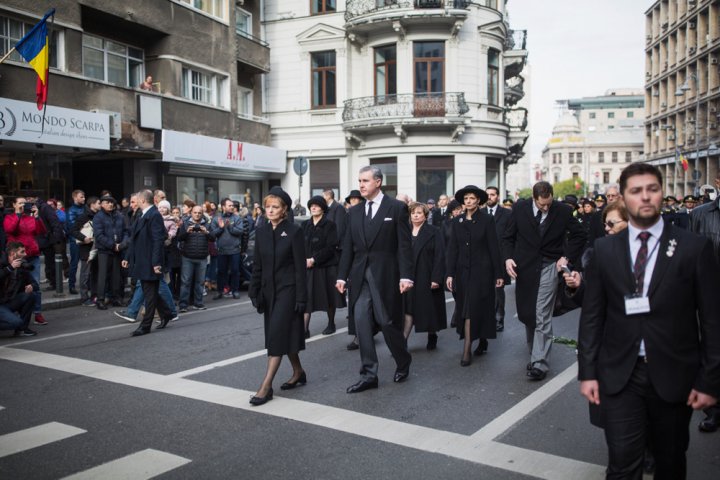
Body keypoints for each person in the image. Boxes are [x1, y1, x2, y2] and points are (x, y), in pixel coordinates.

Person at [578, 162, 720, 479]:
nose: (645, 197)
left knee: (670, 463)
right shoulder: (604, 249)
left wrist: (710, 380)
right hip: (620, 375)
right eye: (636, 191)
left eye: (652, 189)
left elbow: (712, 321)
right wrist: (587, 372)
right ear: (623, 198)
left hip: (673, 375)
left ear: (661, 193)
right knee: (623, 463)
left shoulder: (693, 248)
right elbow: (592, 316)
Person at [337, 166, 413, 393]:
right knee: (361, 323)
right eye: (359, 180)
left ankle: (403, 360)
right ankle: (369, 374)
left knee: (387, 322)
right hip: (360, 276)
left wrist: (406, 276)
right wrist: (341, 276)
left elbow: (404, 245)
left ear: (378, 182)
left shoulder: (396, 208)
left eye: (365, 181)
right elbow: (348, 248)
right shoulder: (354, 212)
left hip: (386, 274)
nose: (361, 185)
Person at [502, 181, 586, 381]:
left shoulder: (563, 211)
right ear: (534, 198)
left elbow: (580, 235)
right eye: (542, 205)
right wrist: (508, 258)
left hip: (550, 266)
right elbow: (507, 238)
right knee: (528, 312)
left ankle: (540, 363)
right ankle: (535, 353)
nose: (546, 208)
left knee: (542, 313)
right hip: (524, 269)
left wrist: (567, 256)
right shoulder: (520, 209)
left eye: (549, 204)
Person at [248, 188, 307, 406]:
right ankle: (298, 371)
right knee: (284, 335)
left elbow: (300, 268)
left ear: (284, 210)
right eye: (268, 207)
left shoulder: (294, 231)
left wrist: (302, 298)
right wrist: (254, 291)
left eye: (275, 207)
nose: (270, 210)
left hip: (289, 291)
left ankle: (266, 386)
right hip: (268, 291)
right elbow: (258, 265)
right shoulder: (261, 231)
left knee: (276, 335)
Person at [446, 186, 503, 366]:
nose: (469, 201)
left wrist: (498, 273)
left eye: (472, 198)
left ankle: (467, 349)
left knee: (476, 307)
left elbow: (494, 247)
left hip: (482, 272)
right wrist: (449, 274)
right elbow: (452, 249)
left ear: (479, 200)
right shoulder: (457, 221)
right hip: (463, 273)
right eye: (466, 198)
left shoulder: (487, 220)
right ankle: (481, 339)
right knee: (467, 306)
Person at [689, 173, 720, 434]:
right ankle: (714, 409)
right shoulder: (700, 214)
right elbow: (690, 257)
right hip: (711, 295)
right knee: (712, 349)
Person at [123, 190, 175, 336]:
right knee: (149, 292)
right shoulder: (142, 215)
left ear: (143, 200)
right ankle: (167, 313)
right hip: (142, 260)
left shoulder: (154, 215)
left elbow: (158, 241)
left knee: (150, 294)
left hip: (150, 261)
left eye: (136, 200)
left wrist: (156, 263)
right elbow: (134, 239)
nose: (135, 202)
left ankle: (145, 326)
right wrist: (127, 257)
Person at [403, 202, 446, 350]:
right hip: (408, 276)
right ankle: (403, 342)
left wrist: (436, 278)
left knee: (429, 308)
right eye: (413, 213)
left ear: (425, 216)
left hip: (426, 275)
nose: (415, 215)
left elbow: (440, 256)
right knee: (408, 309)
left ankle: (432, 334)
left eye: (419, 213)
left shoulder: (434, 231)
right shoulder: (404, 231)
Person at [3, 197, 47, 326]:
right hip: (17, 256)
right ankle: (16, 312)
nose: (23, 205)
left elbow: (41, 231)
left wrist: (37, 217)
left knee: (35, 285)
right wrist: (17, 214)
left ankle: (37, 313)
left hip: (32, 254)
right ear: (14, 205)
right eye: (20, 203)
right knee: (17, 284)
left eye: (24, 203)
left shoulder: (30, 217)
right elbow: (10, 230)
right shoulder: (9, 217)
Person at [302, 196, 340, 337]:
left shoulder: (330, 225)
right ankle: (304, 329)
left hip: (326, 267)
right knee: (306, 297)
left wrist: (314, 259)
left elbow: (331, 247)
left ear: (323, 209)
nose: (313, 208)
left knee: (329, 297)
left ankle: (331, 323)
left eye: (317, 206)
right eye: (311, 205)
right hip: (308, 267)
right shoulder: (305, 225)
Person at [93, 195, 129, 310]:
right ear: (102, 204)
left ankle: (116, 298)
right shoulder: (98, 217)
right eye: (107, 202)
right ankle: (100, 300)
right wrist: (113, 246)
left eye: (112, 202)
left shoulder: (119, 216)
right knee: (103, 276)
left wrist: (122, 244)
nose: (110, 204)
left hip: (118, 250)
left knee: (116, 276)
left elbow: (126, 232)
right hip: (104, 250)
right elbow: (99, 236)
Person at [177, 205, 214, 312]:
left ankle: (198, 303)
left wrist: (206, 232)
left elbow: (213, 238)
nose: (197, 214)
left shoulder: (207, 224)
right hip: (187, 257)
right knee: (185, 282)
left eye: (199, 213)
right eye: (195, 212)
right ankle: (183, 305)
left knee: (200, 282)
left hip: (202, 257)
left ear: (202, 213)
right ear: (191, 213)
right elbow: (179, 238)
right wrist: (187, 231)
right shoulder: (185, 223)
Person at [484, 186, 511, 332]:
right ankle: (486, 318)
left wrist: (509, 258)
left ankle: (499, 318)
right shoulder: (479, 213)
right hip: (482, 259)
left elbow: (510, 238)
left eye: (492, 195)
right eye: (487, 195)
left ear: (498, 197)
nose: (489, 197)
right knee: (484, 290)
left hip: (500, 258)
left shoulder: (507, 214)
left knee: (498, 289)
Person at [210, 198, 248, 299]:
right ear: (223, 207)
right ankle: (220, 291)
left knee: (235, 271)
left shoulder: (237, 218)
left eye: (232, 206)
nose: (232, 207)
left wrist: (230, 227)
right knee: (221, 271)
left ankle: (235, 291)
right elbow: (212, 234)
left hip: (235, 250)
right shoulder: (216, 219)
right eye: (229, 205)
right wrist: (221, 228)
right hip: (221, 250)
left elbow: (240, 231)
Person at [0, 242, 38, 337]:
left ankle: (23, 329)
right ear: (13, 253)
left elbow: (35, 283)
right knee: (16, 323)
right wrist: (10, 268)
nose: (25, 254)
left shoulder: (21, 266)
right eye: (22, 252)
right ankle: (18, 325)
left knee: (31, 295)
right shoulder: (2, 263)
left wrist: (32, 286)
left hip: (9, 302)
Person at [342, 189, 364, 350]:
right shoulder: (347, 216)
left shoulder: (367, 214)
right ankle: (358, 335)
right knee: (355, 303)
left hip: (369, 263)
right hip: (354, 265)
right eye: (352, 200)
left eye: (357, 199)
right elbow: (346, 242)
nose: (354, 202)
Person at [69, 197, 100, 307]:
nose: (100, 205)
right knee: (85, 274)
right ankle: (84, 297)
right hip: (86, 248)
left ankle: (94, 295)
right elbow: (73, 230)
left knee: (95, 273)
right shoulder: (83, 216)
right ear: (92, 204)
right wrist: (83, 238)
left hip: (97, 248)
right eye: (98, 203)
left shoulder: (99, 215)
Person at [67, 190, 86, 295]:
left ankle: (85, 285)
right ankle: (71, 285)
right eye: (81, 197)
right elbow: (72, 227)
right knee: (74, 263)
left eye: (84, 196)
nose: (83, 198)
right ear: (75, 198)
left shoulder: (85, 208)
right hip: (75, 241)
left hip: (86, 239)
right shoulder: (71, 211)